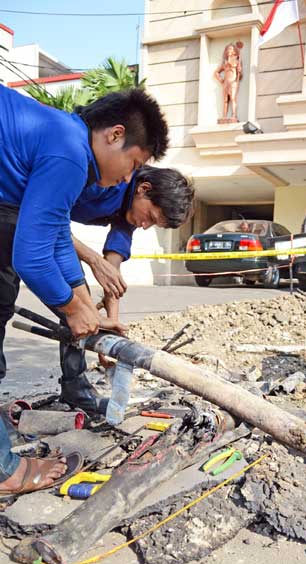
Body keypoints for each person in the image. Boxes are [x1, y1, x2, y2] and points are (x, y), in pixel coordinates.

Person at [0, 85, 169, 496]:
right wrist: (73, 310)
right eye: (133, 163)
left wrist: (80, 298)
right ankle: (5, 472)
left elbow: (56, 233)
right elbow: (33, 255)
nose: (129, 177)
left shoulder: (64, 137)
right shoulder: (71, 154)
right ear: (113, 135)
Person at [59, 165, 195, 412]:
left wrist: (110, 328)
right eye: (151, 217)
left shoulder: (130, 210)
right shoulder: (105, 177)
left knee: (81, 307)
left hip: (46, 227)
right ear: (144, 189)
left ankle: (74, 387)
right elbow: (47, 216)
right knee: (73, 304)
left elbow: (112, 273)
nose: (144, 226)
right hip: (19, 213)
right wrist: (92, 259)